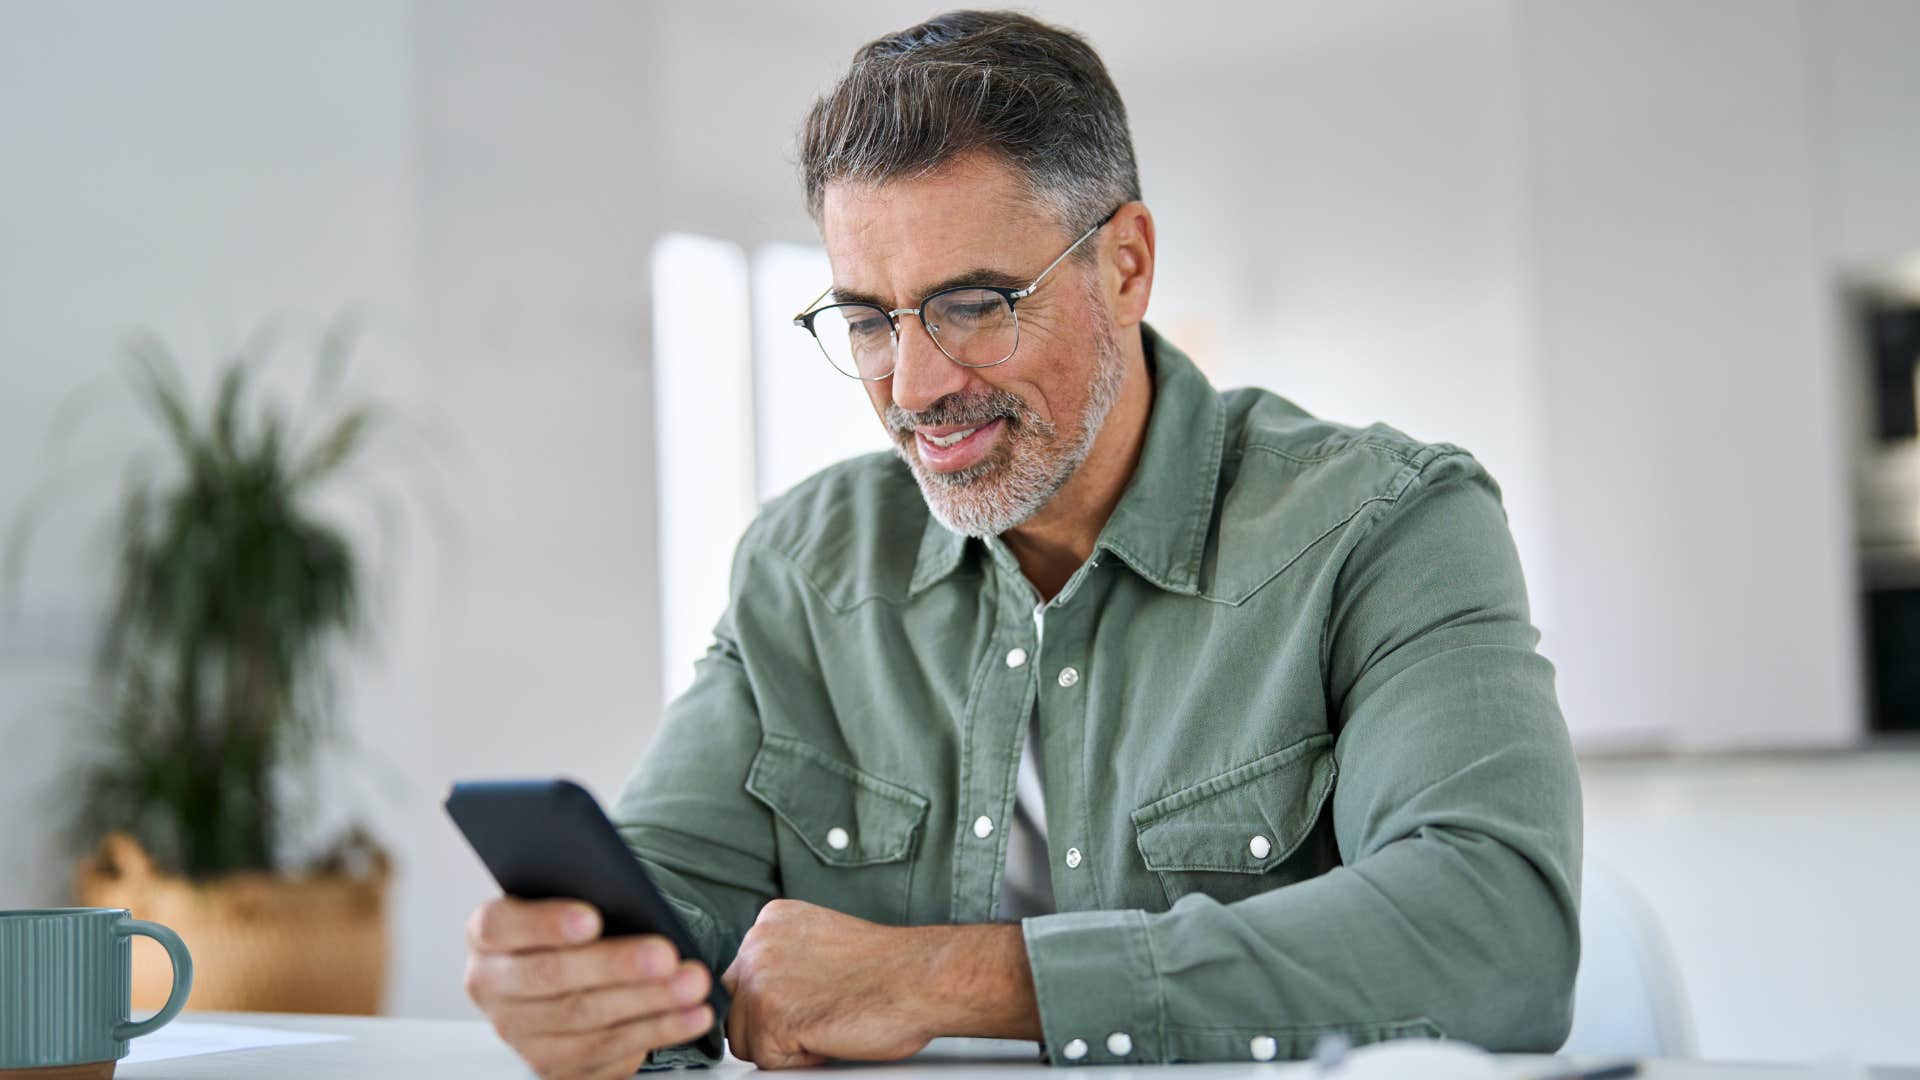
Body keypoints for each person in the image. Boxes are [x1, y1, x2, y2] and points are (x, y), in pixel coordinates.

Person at [463, 10, 1581, 1076]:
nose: (914, 388)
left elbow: (1499, 932)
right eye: (867, 320)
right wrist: (586, 990)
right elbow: (672, 905)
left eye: (976, 303)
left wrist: (953, 979)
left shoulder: (1387, 526)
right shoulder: (804, 567)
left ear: (1128, 266)